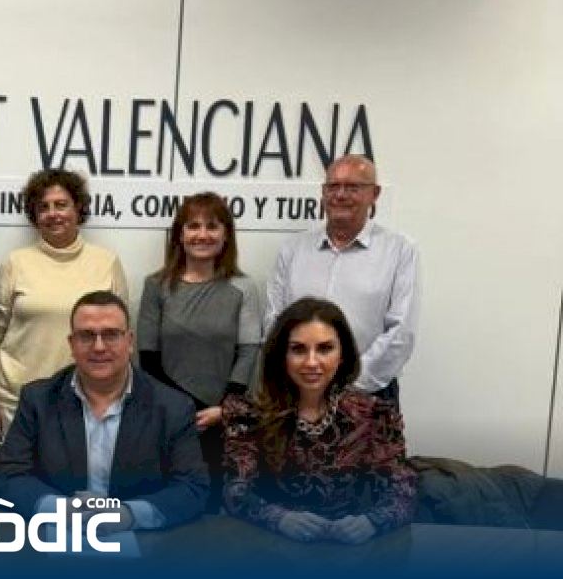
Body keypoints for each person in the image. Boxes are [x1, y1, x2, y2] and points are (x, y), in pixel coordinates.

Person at [0, 291, 209, 530]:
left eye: (111, 335)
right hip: (56, 535)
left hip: (142, 541)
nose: (98, 347)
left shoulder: (172, 406)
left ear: (129, 342)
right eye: (86, 336)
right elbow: (9, 476)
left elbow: (192, 487)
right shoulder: (38, 399)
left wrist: (128, 515)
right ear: (72, 344)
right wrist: (60, 510)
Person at [223, 297, 416, 543]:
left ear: (342, 355)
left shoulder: (373, 414)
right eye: (298, 349)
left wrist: (372, 522)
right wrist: (278, 518)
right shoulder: (249, 414)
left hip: (347, 548)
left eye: (325, 349)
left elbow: (402, 491)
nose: (312, 362)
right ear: (282, 355)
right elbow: (235, 491)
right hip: (271, 544)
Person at [0, 168, 128, 446]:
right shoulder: (15, 263)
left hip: (87, 400)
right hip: (17, 400)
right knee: (21, 474)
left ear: (78, 208)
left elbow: (122, 339)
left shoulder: (106, 263)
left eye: (61, 204)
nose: (53, 214)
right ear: (34, 215)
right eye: (43, 207)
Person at [136, 192, 263, 512]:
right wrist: (183, 409)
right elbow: (147, 357)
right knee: (166, 504)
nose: (202, 235)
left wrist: (225, 409)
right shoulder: (156, 285)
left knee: (212, 508)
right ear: (179, 235)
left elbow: (249, 352)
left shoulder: (244, 287)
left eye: (212, 226)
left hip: (221, 421)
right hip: (168, 417)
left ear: (226, 235)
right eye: (193, 226)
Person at [266, 154, 420, 404]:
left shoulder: (400, 250)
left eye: (353, 187)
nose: (340, 195)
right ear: (323, 192)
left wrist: (349, 383)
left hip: (369, 394)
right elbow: (274, 320)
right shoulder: (293, 249)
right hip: (298, 391)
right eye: (333, 186)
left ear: (375, 194)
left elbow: (401, 333)